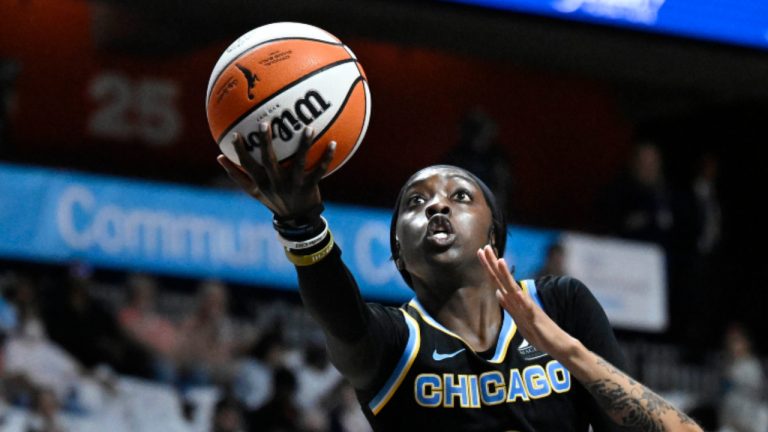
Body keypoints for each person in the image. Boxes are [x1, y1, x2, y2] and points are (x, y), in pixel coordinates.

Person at [217, 124, 702, 431]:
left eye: (461, 196)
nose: (437, 204)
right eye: (415, 201)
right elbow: (341, 318)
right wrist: (303, 229)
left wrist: (568, 351)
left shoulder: (561, 306)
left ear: (496, 236)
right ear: (398, 255)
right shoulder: (393, 341)